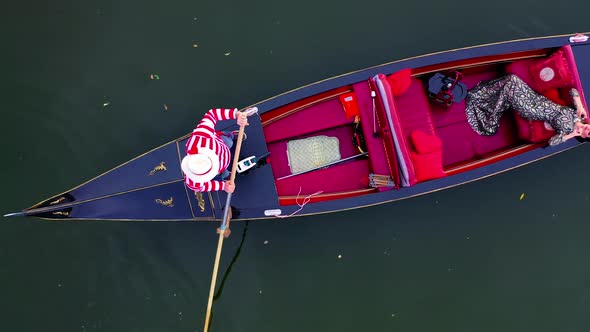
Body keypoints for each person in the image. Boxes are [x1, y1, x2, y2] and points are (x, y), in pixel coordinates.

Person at [465, 74, 589, 146]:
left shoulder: (567, 130)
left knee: (509, 85)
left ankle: (480, 98)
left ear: (584, 137)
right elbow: (573, 91)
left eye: (589, 133)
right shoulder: (579, 115)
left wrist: (572, 134)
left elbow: (552, 142)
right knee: (512, 78)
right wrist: (580, 106)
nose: (588, 129)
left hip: (531, 109)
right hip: (535, 98)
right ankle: (484, 96)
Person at [181, 107, 256, 194]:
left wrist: (236, 115)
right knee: (226, 175)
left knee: (229, 142)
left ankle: (231, 135)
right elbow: (199, 188)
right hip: (222, 168)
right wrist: (223, 186)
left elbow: (212, 114)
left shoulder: (201, 135)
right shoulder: (193, 180)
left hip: (222, 144)